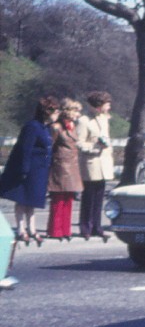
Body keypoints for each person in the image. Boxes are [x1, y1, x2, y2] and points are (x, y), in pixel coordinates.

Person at [0, 97, 59, 245]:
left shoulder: (46, 128)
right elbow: (24, 149)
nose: (57, 114)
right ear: (47, 112)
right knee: (22, 200)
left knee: (32, 201)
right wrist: (24, 169)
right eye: (56, 111)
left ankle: (32, 229)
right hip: (29, 170)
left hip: (40, 171)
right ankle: (21, 229)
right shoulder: (32, 127)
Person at [76, 91, 115, 240]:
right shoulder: (84, 120)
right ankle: (85, 227)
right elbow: (79, 142)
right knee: (88, 196)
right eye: (106, 104)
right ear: (99, 105)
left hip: (103, 162)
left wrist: (107, 145)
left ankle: (97, 227)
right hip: (91, 163)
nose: (109, 107)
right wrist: (94, 147)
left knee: (99, 197)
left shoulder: (104, 119)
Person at [45, 99, 84, 241]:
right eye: (76, 111)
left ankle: (65, 230)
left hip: (72, 166)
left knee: (69, 199)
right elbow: (49, 146)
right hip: (60, 167)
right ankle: (55, 230)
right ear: (68, 112)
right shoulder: (56, 127)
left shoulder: (72, 126)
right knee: (58, 199)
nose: (78, 114)